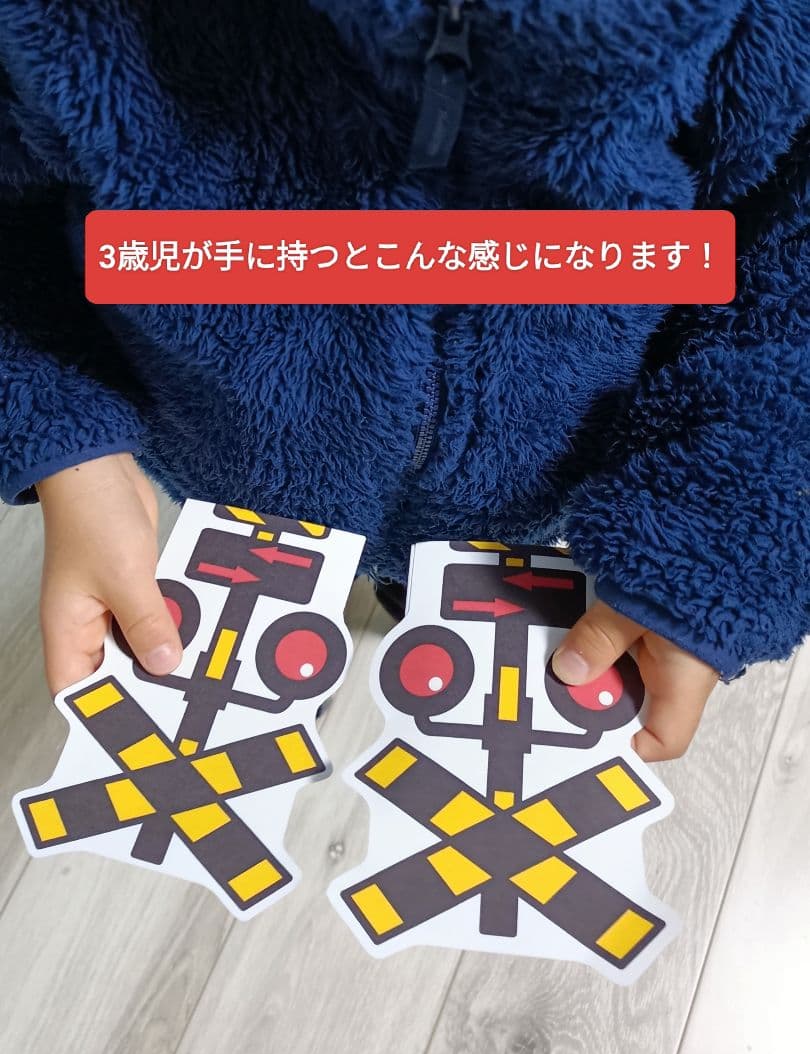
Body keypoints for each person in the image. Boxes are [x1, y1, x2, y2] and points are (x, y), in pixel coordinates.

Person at [1, 1, 807, 763]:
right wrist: (65, 441)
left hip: (539, 480)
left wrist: (720, 530)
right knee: (284, 617)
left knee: (433, 592)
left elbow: (791, 237)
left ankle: (397, 596)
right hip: (228, 466)